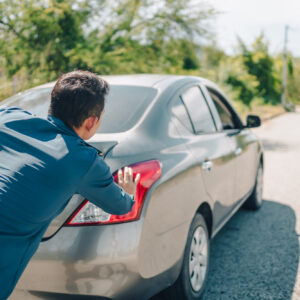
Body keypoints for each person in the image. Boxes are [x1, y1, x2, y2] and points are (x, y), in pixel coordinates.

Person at [0, 70, 140, 299]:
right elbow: (121, 206)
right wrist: (129, 193)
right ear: (92, 121)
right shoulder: (82, 159)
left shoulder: (8, 117)